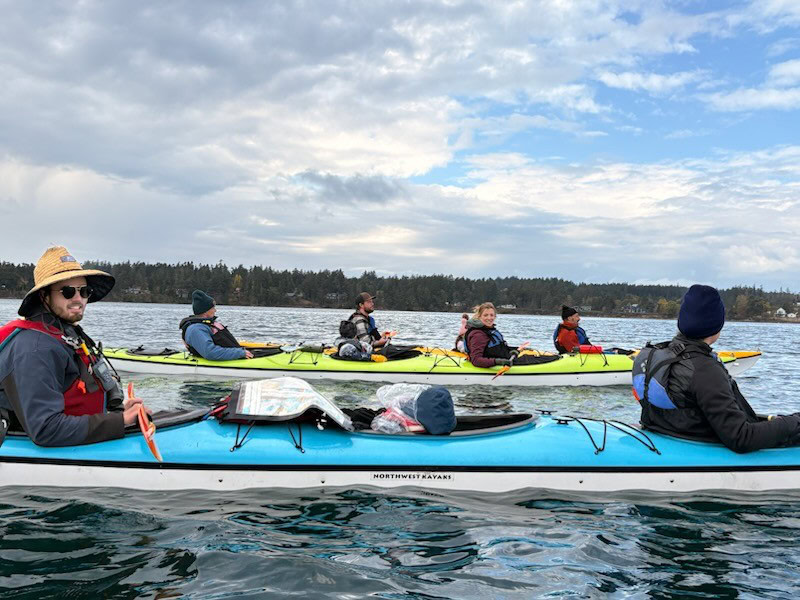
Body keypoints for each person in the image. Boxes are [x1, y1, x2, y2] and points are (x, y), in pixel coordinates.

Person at [0, 246, 148, 446]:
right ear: (44, 296)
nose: (78, 299)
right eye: (67, 292)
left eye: (84, 291)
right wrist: (119, 422)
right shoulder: (34, 348)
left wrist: (117, 411)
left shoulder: (62, 334)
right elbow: (45, 429)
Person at [634, 284, 800, 453]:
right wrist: (794, 422)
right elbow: (741, 438)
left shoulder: (655, 355)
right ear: (716, 325)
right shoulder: (704, 371)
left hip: (672, 433)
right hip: (702, 445)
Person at [179, 290, 253, 361]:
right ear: (205, 312)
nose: (215, 310)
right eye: (213, 308)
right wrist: (240, 353)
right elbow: (210, 353)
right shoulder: (196, 329)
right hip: (215, 359)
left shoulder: (206, 325)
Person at [462, 302, 516, 368]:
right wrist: (498, 362)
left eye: (491, 315)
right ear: (479, 316)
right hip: (495, 363)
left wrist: (514, 349)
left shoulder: (489, 330)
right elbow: (476, 360)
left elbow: (500, 348)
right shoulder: (478, 335)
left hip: (505, 358)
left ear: (495, 316)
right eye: (485, 315)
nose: (489, 318)